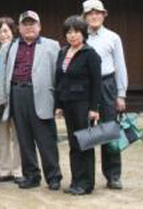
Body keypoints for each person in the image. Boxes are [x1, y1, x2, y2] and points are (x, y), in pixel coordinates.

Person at [0, 11, 62, 191]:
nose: (29, 27)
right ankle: (31, 175)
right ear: (19, 28)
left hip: (42, 96)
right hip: (17, 93)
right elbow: (3, 74)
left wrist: (58, 103)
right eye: (25, 24)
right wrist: (4, 99)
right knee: (24, 139)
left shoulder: (52, 46)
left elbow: (58, 76)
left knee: (46, 139)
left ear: (39, 26)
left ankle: (53, 176)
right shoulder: (9, 47)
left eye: (32, 24)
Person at [82, 0, 128, 190]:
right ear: (84, 17)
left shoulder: (113, 37)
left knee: (109, 130)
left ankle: (113, 175)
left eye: (97, 13)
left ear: (103, 15)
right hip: (85, 86)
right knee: (85, 131)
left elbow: (120, 66)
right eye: (90, 13)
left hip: (107, 84)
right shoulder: (79, 36)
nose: (94, 16)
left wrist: (121, 94)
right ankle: (85, 176)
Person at [55, 16, 102, 196]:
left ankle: (86, 183)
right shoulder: (63, 52)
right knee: (74, 144)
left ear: (83, 33)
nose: (72, 35)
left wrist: (94, 108)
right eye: (68, 32)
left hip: (83, 104)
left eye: (76, 32)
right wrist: (58, 104)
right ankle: (76, 181)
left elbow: (97, 83)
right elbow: (59, 79)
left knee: (85, 143)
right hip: (68, 104)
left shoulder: (90, 54)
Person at [0, 17, 22, 183]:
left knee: (18, 136)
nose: (3, 35)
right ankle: (4, 170)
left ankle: (18, 170)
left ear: (13, 31)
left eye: (5, 31)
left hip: (16, 95)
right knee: (3, 137)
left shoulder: (19, 48)